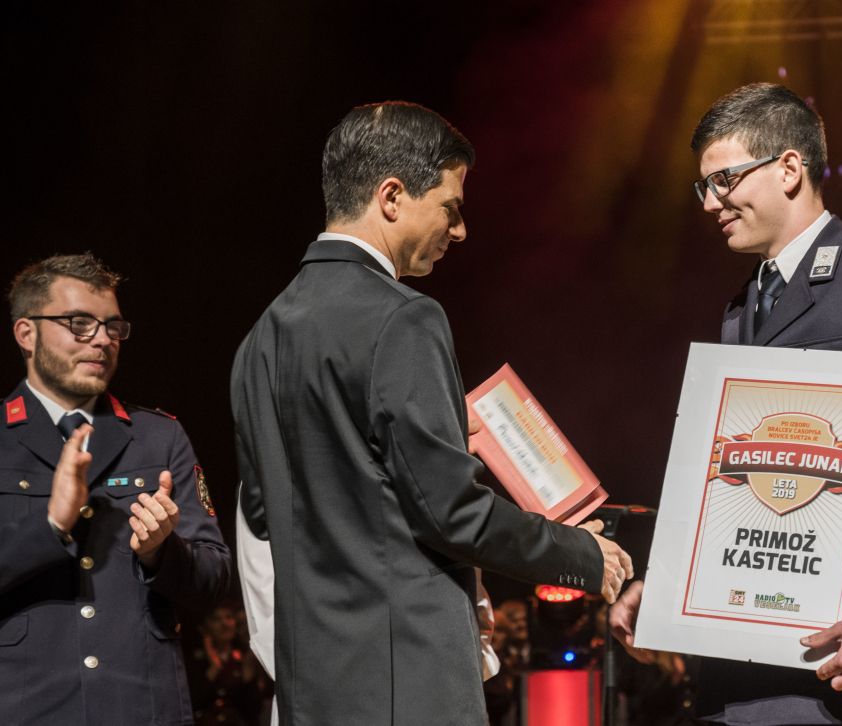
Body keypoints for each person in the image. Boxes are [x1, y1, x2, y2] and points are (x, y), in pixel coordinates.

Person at [230, 101, 632, 726]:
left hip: (312, 688)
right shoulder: (404, 317)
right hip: (407, 683)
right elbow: (451, 513)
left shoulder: (259, 339)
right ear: (392, 196)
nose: (460, 230)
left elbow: (264, 515)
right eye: (451, 206)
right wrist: (580, 554)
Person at [610, 83, 842, 724]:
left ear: (789, 168)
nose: (709, 203)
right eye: (702, 187)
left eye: (723, 180)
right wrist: (672, 590)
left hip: (839, 680)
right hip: (733, 683)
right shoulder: (744, 305)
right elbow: (737, 484)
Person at [0, 253, 231, 724]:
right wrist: (51, 525)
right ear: (26, 333)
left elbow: (215, 580)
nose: (103, 339)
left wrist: (161, 552)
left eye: (112, 326)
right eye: (79, 323)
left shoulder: (160, 437)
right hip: (29, 709)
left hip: (142, 708)